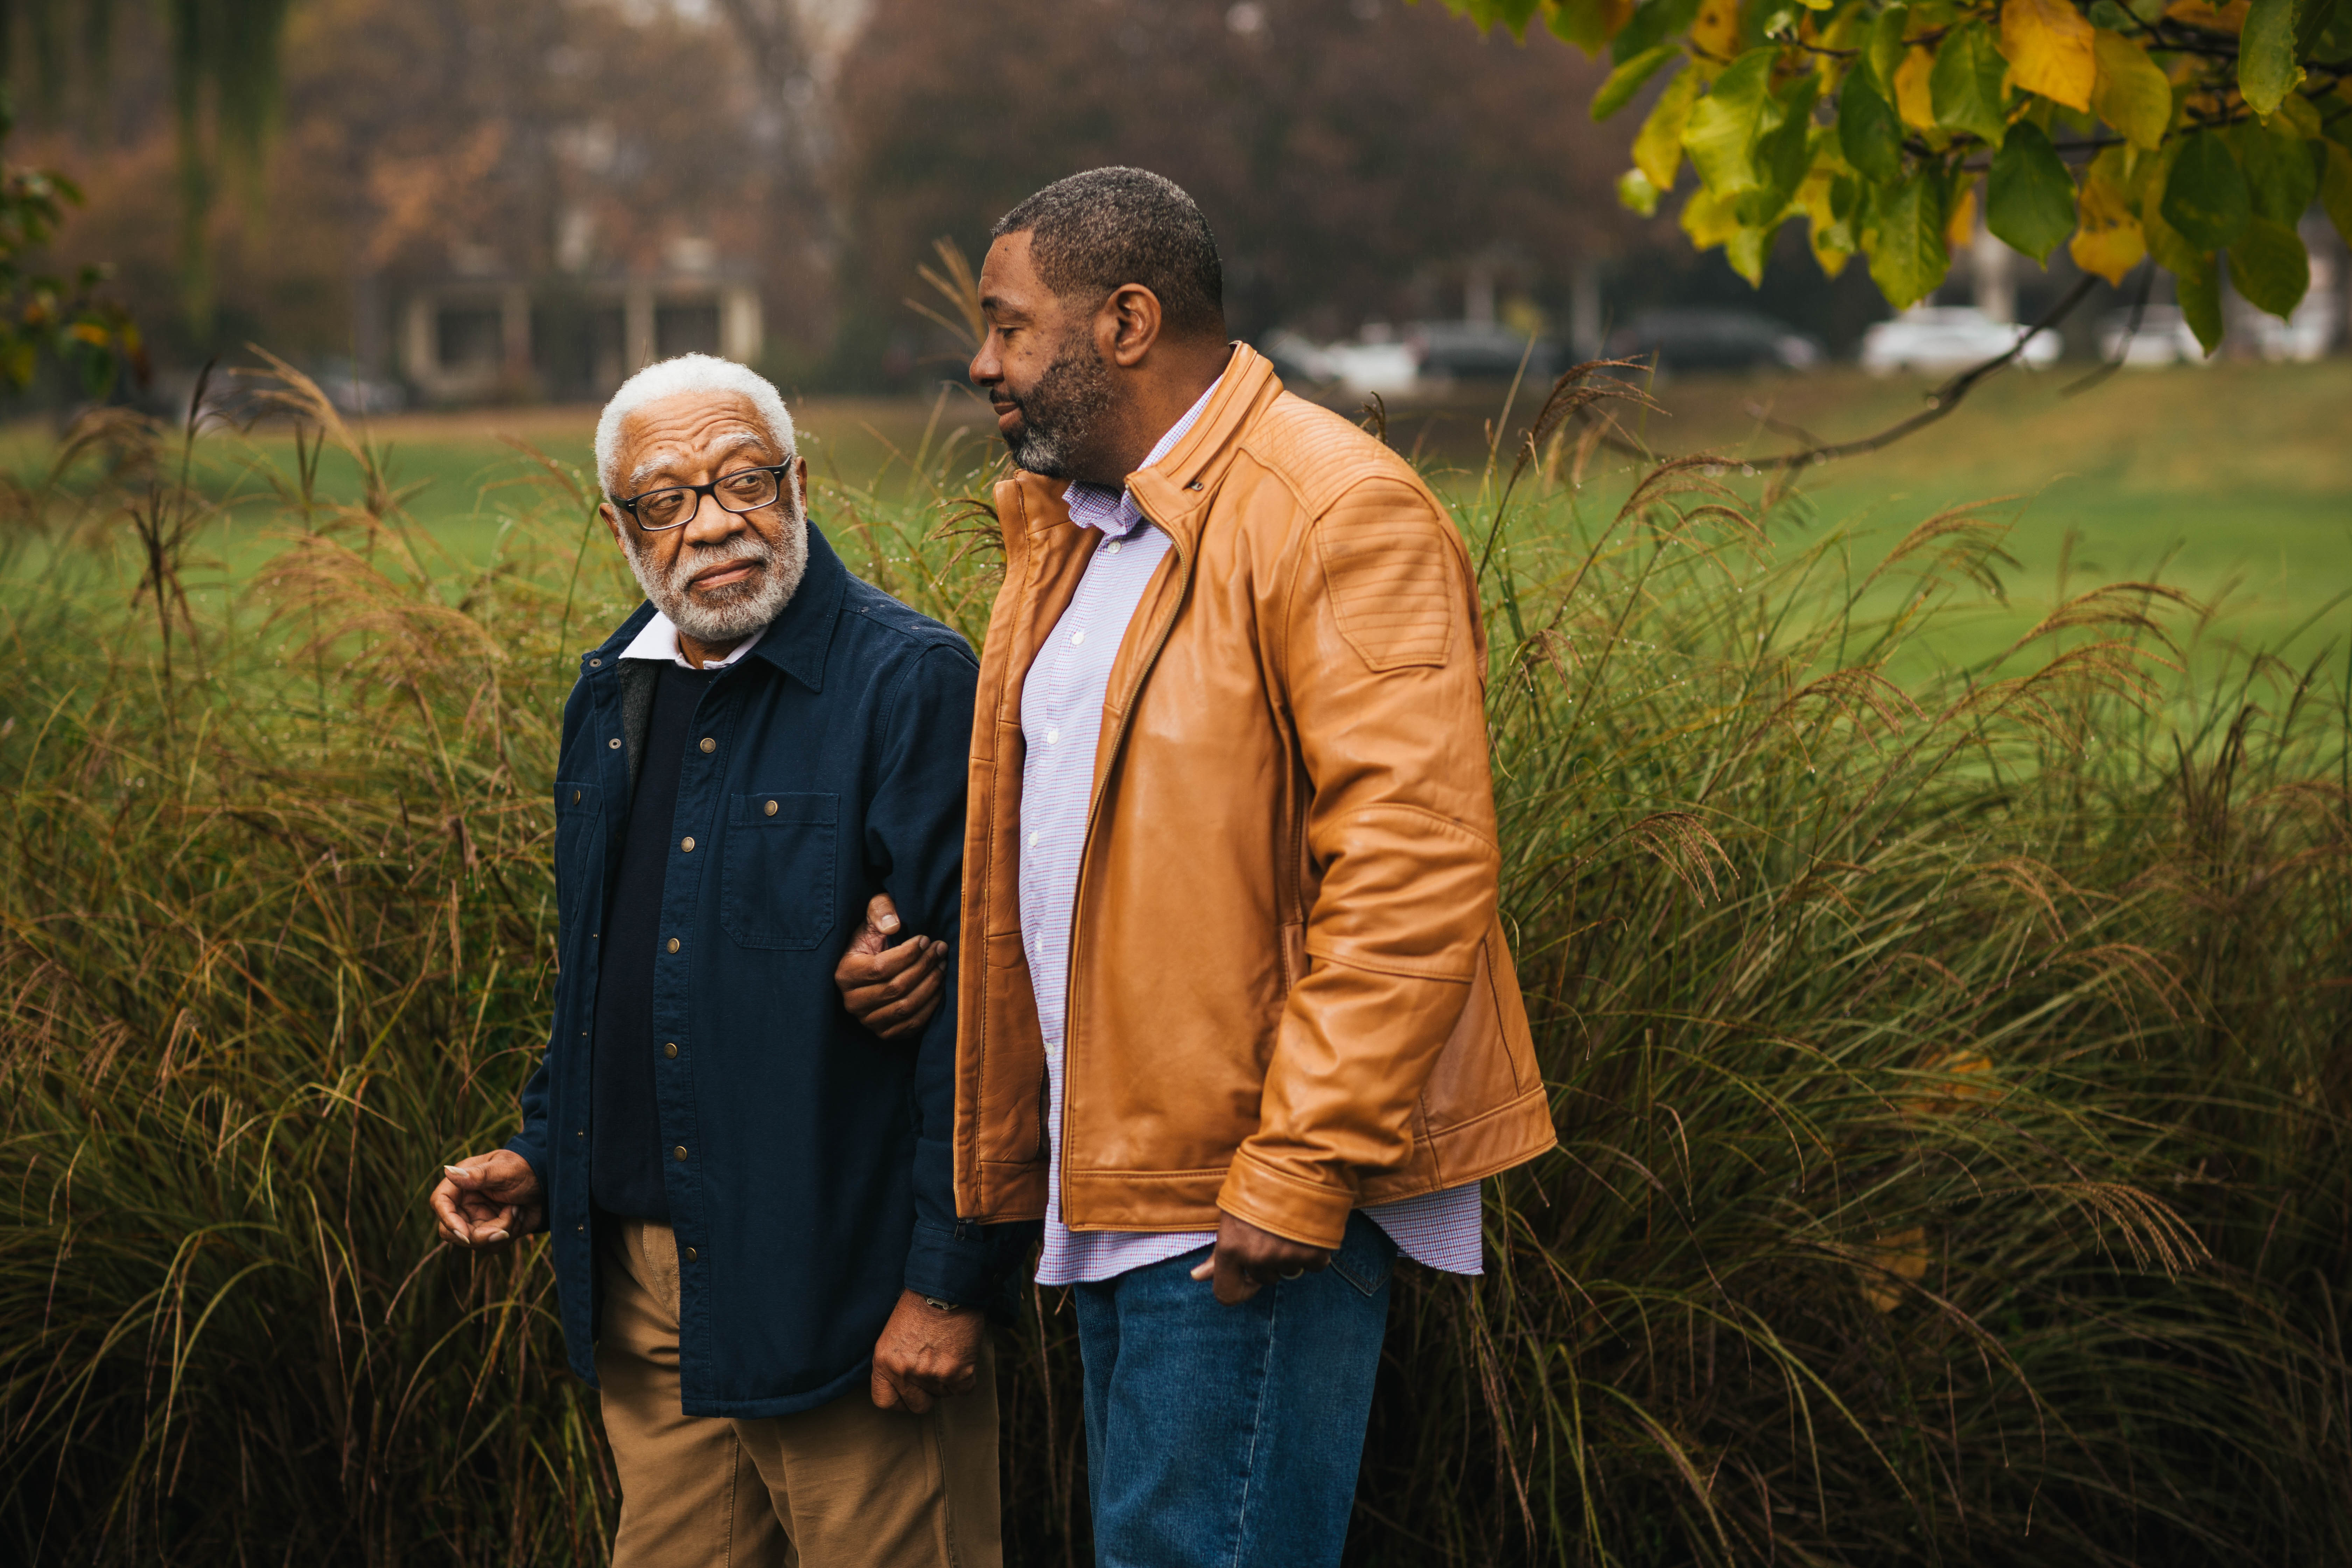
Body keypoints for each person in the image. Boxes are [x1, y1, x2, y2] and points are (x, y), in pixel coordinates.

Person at [838, 169, 1557, 1567]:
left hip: (1238, 1185)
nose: (979, 360)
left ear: (1125, 318)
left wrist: (1297, 1167)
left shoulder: (1333, 509)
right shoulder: (1084, 533)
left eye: (1006, 324)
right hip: (1119, 1180)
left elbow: (1414, 870)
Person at [428, 354, 1015, 1568]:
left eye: (745, 478)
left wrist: (950, 1284)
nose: (714, 522)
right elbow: (605, 970)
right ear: (620, 527)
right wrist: (545, 1151)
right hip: (643, 1293)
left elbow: (982, 1016)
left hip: (841, 1289)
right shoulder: (611, 695)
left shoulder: (907, 683)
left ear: (798, 482)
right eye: (668, 497)